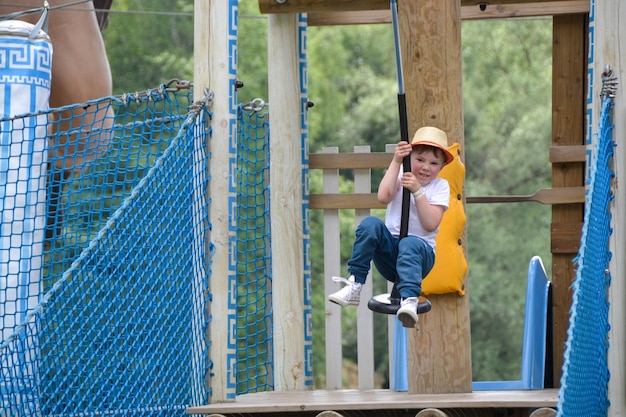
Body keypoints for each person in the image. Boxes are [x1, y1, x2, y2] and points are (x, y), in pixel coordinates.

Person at [328, 126, 454, 328]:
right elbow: (382, 197)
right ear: (409, 157)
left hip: (420, 256)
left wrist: (417, 191)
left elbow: (430, 224)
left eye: (433, 163)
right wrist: (396, 162)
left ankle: (410, 300)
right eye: (419, 160)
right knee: (370, 224)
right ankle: (355, 283)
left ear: (441, 167)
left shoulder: (440, 186)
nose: (425, 167)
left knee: (410, 243)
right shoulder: (401, 174)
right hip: (391, 256)